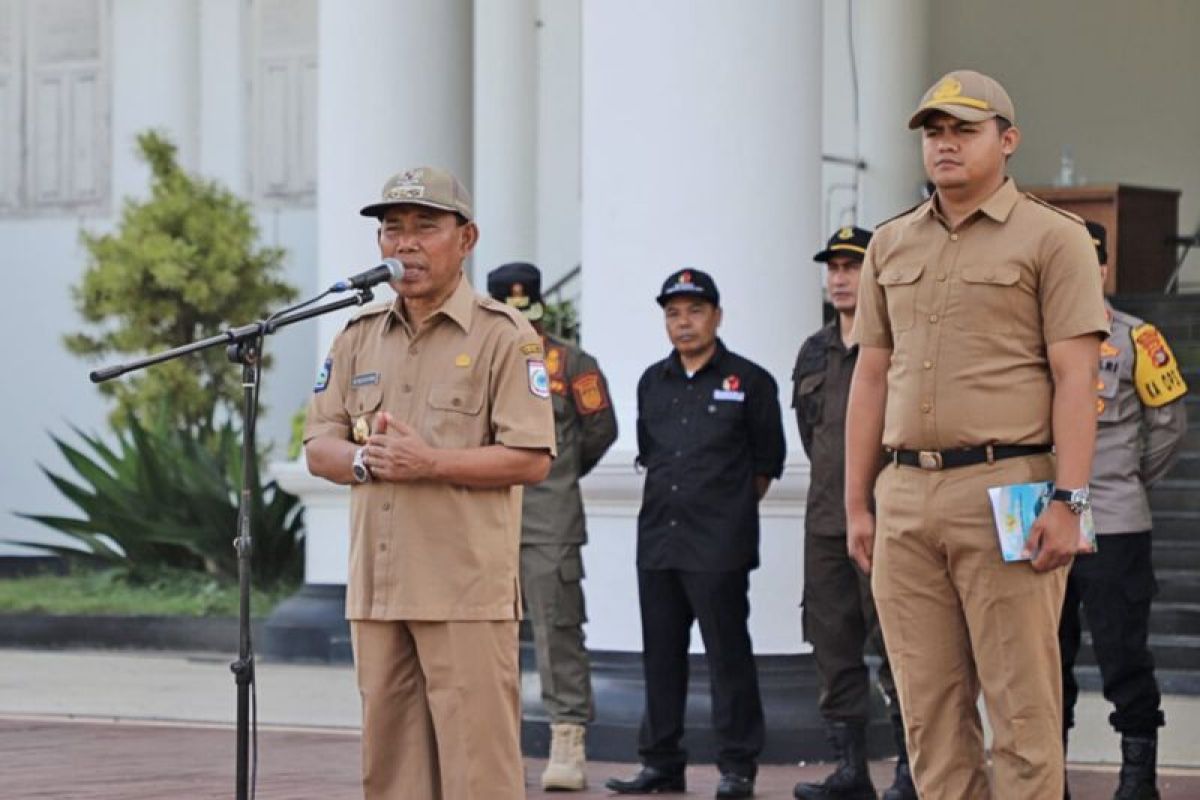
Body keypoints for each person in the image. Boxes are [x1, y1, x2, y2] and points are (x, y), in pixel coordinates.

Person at [844, 70, 1109, 799]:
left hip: (1010, 487)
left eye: (964, 129)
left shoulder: (1054, 239)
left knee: (1021, 710)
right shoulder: (891, 244)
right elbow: (870, 379)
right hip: (904, 495)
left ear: (1008, 139)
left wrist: (1071, 501)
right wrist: (858, 504)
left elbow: (1075, 381)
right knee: (928, 712)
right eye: (935, 132)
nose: (946, 145)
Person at [303, 166, 556, 800]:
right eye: (392, 230)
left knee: (479, 774)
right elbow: (319, 446)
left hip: (464, 593)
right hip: (379, 593)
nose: (405, 244)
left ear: (466, 238)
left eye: (425, 227)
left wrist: (431, 464)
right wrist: (366, 462)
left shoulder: (505, 336)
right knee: (391, 774)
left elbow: (531, 458)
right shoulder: (357, 336)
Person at [606, 268, 786, 799]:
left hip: (719, 544)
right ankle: (661, 763)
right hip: (659, 539)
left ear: (717, 316)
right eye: (672, 313)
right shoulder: (651, 381)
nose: (683, 323)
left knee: (727, 656)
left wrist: (724, 512)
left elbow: (765, 464)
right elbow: (651, 452)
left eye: (694, 311)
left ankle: (737, 767)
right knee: (660, 657)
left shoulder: (749, 381)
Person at [1059, 221, 1189, 800]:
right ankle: (1044, 777)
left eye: (1089, 262)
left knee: (1122, 656)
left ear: (1105, 268)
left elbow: (1168, 430)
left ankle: (1137, 778)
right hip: (1040, 523)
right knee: (1041, 665)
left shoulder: (1140, 339)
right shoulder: (1029, 340)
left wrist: (1127, 482)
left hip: (1112, 523)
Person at [791, 227, 915, 800]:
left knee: (899, 645)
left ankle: (913, 768)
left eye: (851, 267)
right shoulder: (814, 350)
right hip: (825, 520)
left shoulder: (899, 344)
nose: (840, 278)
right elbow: (812, 435)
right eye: (833, 268)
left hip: (888, 516)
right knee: (832, 644)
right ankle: (850, 770)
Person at [486, 261, 618, 791]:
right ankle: (494, 746)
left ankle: (567, 738)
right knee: (483, 639)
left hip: (549, 520)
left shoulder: (569, 362)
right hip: (485, 519)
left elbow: (600, 428)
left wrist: (556, 472)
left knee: (557, 631)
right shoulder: (475, 362)